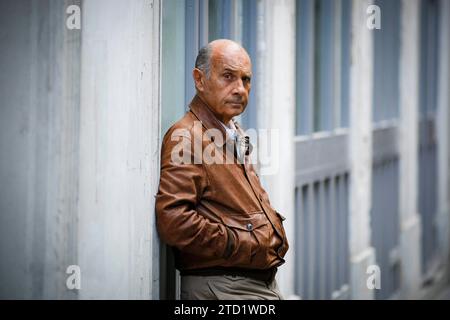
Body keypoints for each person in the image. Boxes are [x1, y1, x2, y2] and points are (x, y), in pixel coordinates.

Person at [155, 39, 289, 300]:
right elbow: (174, 221)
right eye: (228, 76)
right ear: (199, 79)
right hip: (224, 287)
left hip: (250, 283)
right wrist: (241, 243)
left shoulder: (230, 130)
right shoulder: (187, 136)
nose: (240, 89)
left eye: (246, 79)